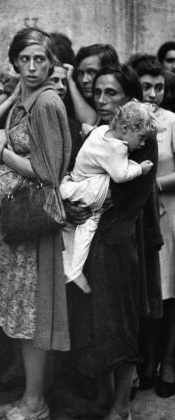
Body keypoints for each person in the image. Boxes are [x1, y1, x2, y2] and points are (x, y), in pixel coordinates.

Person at [0, 27, 72, 420]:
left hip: (30, 223)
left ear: (51, 63)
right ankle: (26, 397)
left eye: (40, 60)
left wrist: (0, 154)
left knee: (31, 315)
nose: (31, 67)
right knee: (19, 313)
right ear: (14, 61)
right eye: (24, 59)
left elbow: (48, 173)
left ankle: (35, 403)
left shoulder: (47, 103)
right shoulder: (25, 97)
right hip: (15, 229)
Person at [66, 64, 160, 420]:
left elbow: (126, 195)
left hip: (118, 241)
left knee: (118, 323)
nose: (102, 100)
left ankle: (121, 407)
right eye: (98, 93)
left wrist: (80, 205)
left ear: (129, 99)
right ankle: (103, 399)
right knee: (93, 323)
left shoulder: (140, 137)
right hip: (91, 239)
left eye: (112, 94)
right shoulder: (101, 134)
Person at [61, 101, 155, 294]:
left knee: (72, 227)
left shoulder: (100, 131)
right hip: (93, 191)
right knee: (90, 223)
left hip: (78, 183)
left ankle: (69, 266)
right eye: (142, 137)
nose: (143, 143)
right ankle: (74, 270)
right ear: (125, 128)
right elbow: (120, 175)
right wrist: (139, 168)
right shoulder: (118, 147)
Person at [132, 56, 175, 398]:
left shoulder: (172, 121)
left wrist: (153, 185)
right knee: (147, 291)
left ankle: (170, 362)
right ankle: (146, 360)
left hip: (169, 214)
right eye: (146, 86)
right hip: (139, 215)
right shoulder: (128, 119)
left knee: (170, 292)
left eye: (159, 87)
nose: (153, 93)